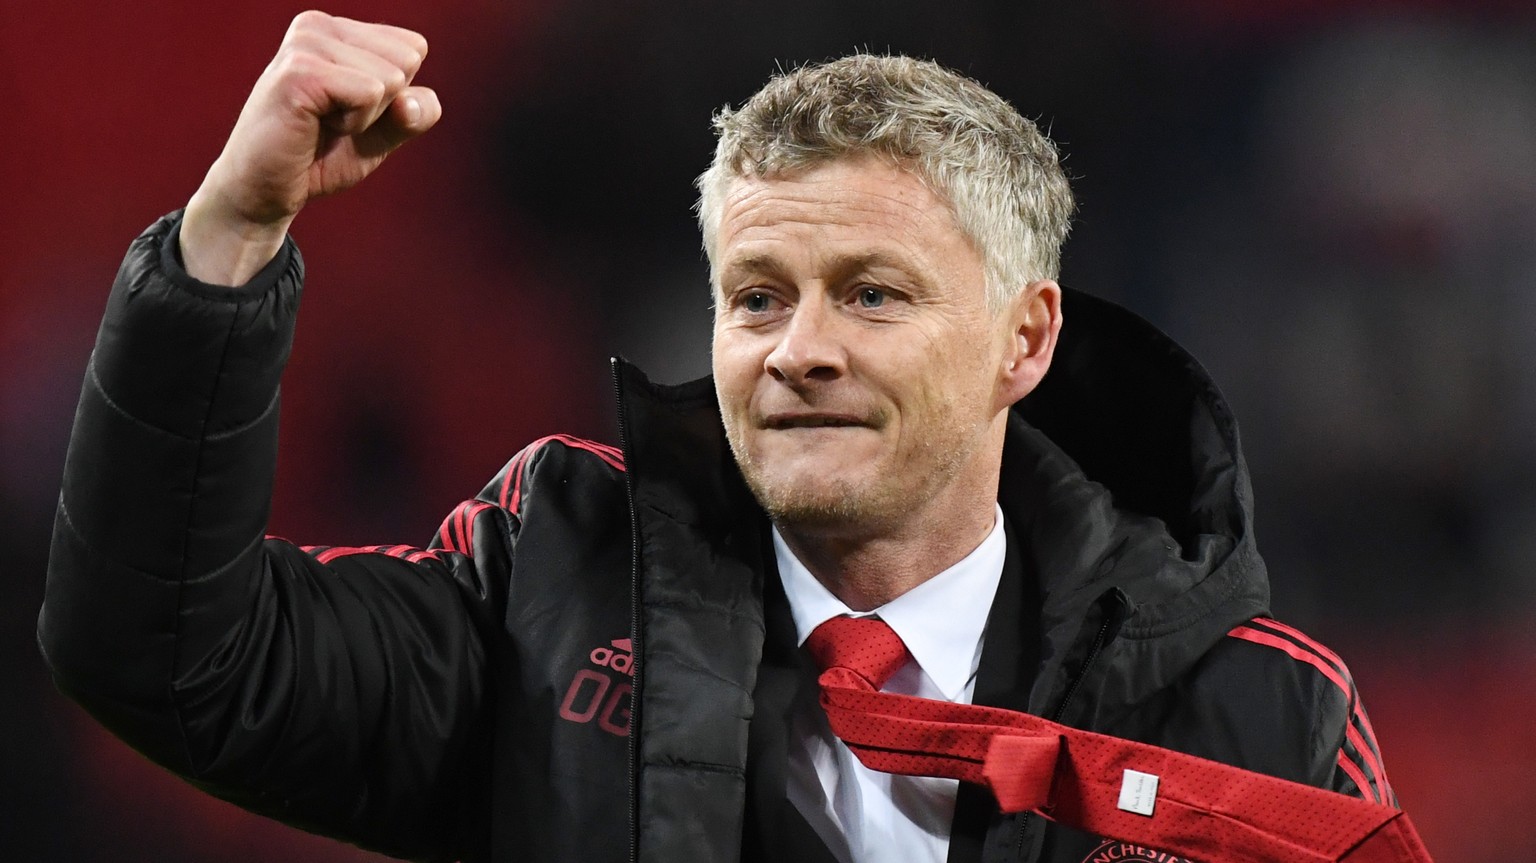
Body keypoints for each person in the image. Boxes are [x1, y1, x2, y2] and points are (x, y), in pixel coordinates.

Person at [39, 11, 1401, 863]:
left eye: (871, 292)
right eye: (757, 297)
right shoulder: (552, 601)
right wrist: (228, 237)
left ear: (1023, 341)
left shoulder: (1259, 719)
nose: (797, 347)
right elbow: (167, 656)